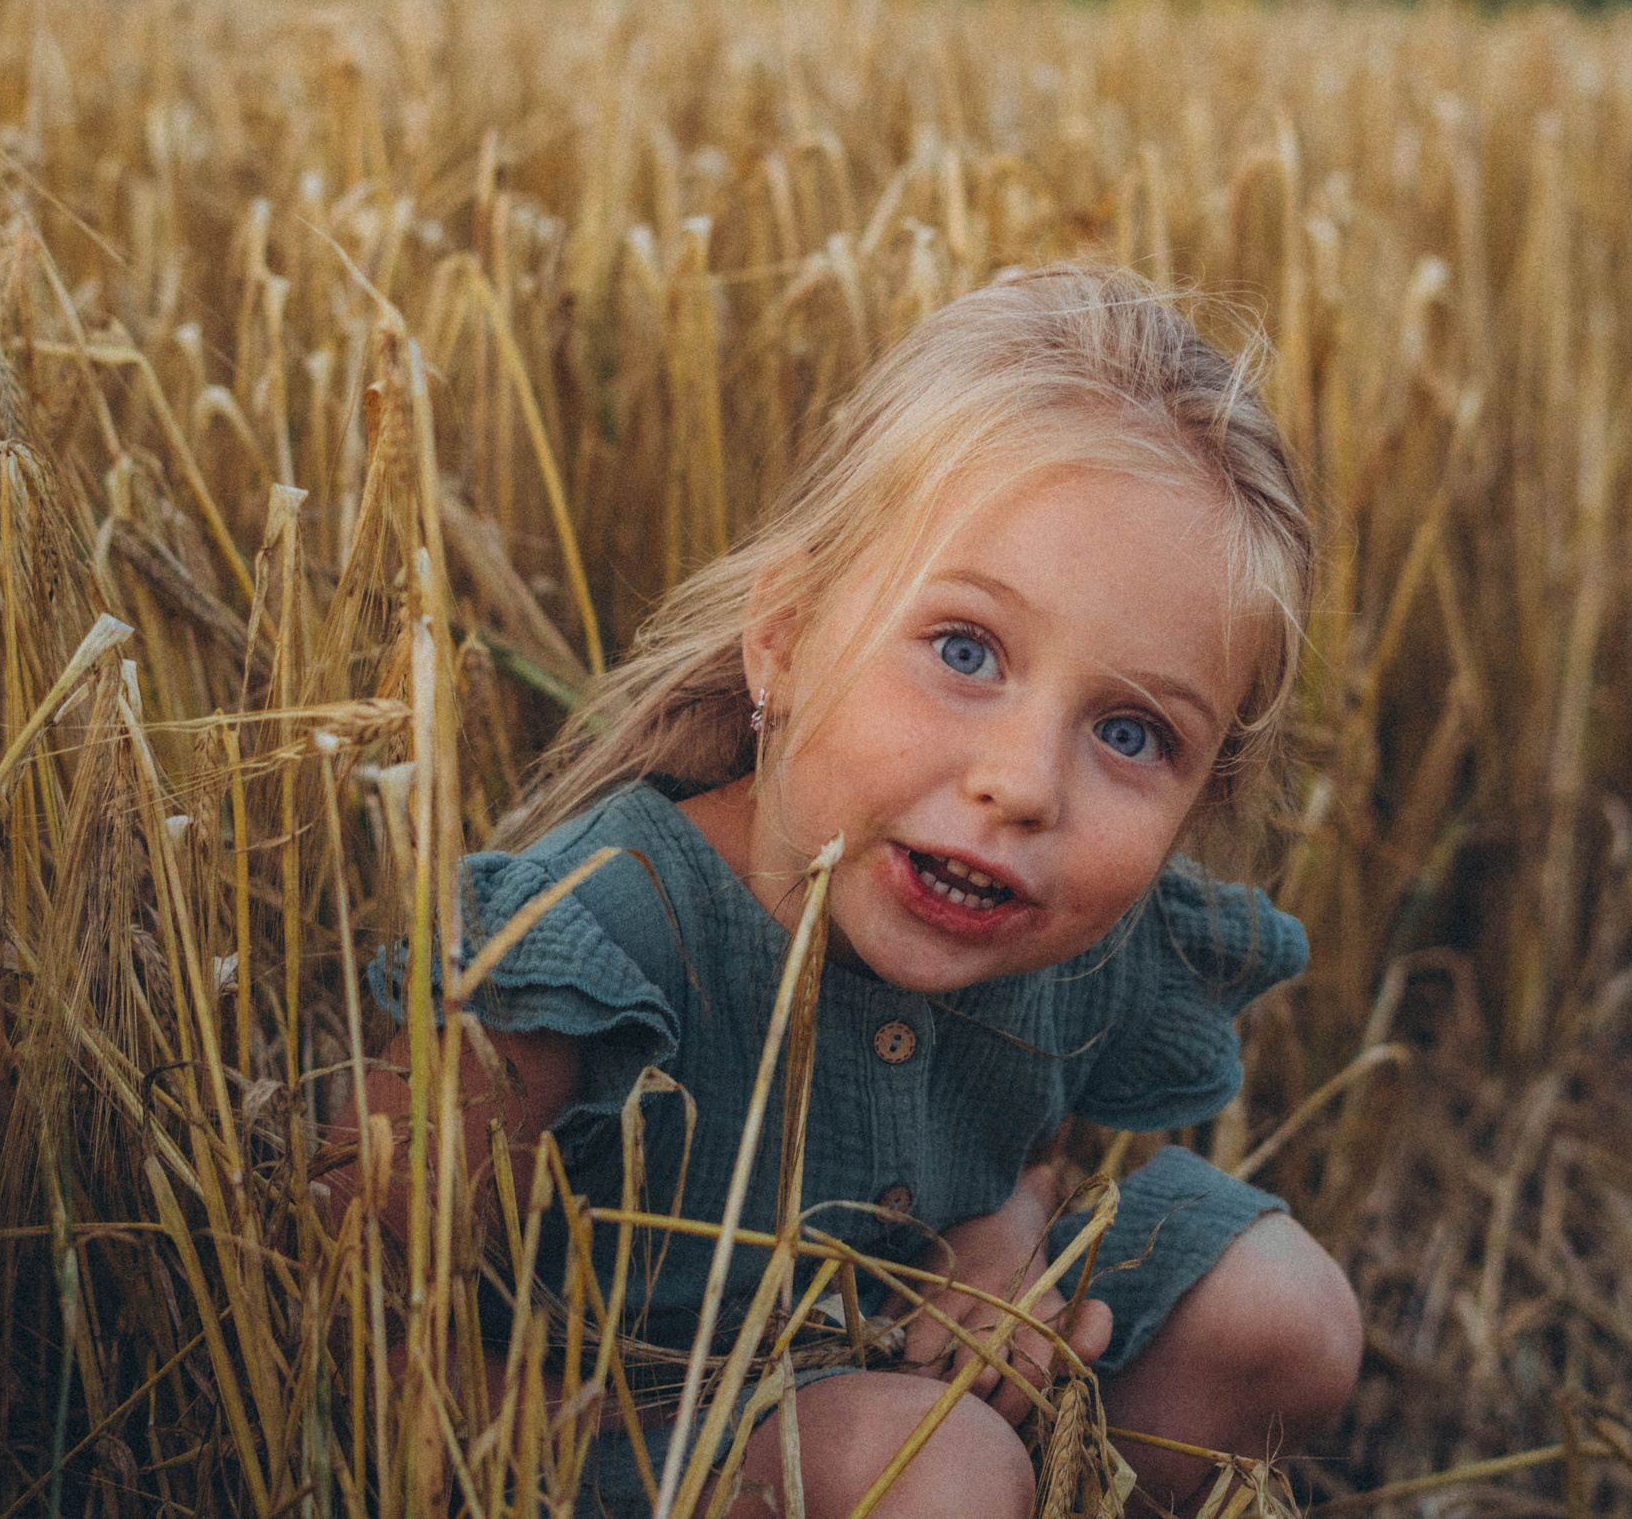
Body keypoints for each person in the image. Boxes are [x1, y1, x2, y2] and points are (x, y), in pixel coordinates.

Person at [338, 265, 1361, 1517]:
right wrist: (640, 1440)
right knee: (936, 1473)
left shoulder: (1059, 929)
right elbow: (332, 1311)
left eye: (1133, 733)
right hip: (593, 1452)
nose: (1024, 785)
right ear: (785, 633)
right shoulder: (594, 939)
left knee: (1283, 1310)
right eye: (965, 651)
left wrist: (1010, 1233)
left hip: (903, 1391)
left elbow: (1040, 1133)